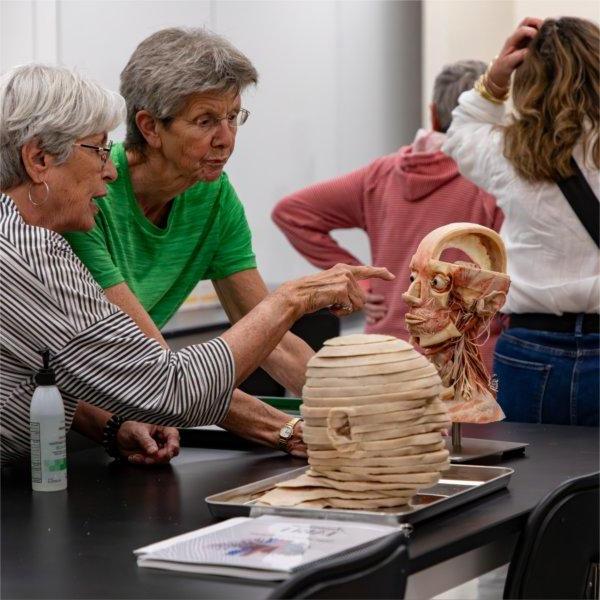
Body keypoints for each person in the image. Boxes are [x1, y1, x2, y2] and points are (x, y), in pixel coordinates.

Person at [0, 63, 393, 465]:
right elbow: (167, 388)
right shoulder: (28, 254)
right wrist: (290, 299)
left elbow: (49, 370)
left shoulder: (26, 239)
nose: (110, 169)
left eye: (232, 118)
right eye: (98, 149)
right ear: (39, 159)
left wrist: (108, 423)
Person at [63, 27, 347, 453]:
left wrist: (364, 401)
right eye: (206, 121)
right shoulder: (90, 201)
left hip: (130, 413)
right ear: (150, 127)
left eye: (233, 116)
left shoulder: (212, 195)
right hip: (63, 427)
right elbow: (169, 377)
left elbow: (272, 339)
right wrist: (288, 430)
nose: (227, 138)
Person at [272, 60, 503, 371]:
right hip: (461, 366)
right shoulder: (491, 182)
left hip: (384, 358)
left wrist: (362, 283)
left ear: (433, 113)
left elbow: (292, 212)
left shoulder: (381, 175)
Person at [443, 17, 599, 426]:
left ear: (527, 81)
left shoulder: (511, 153)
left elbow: (461, 133)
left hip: (531, 349)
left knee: (532, 482)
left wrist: (494, 79)